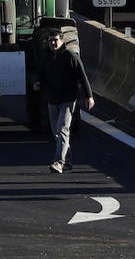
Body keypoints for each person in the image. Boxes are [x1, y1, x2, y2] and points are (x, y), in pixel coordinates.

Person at [34, 30, 94, 174]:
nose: (53, 43)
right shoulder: (47, 58)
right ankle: (67, 161)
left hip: (68, 99)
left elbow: (82, 76)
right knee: (56, 133)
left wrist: (89, 96)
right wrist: (38, 83)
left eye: (55, 40)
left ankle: (58, 163)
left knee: (62, 130)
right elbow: (42, 75)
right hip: (52, 99)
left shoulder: (70, 56)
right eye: (50, 41)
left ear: (62, 40)